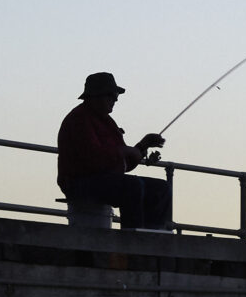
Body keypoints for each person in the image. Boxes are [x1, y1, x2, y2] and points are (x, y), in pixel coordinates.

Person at [57, 72, 170, 229]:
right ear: (95, 95)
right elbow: (93, 160)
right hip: (79, 183)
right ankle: (132, 240)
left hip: (104, 180)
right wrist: (125, 151)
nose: (115, 99)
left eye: (116, 96)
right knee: (132, 187)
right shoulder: (78, 119)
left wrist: (142, 146)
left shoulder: (108, 122)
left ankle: (152, 238)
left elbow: (121, 163)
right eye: (111, 95)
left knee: (161, 189)